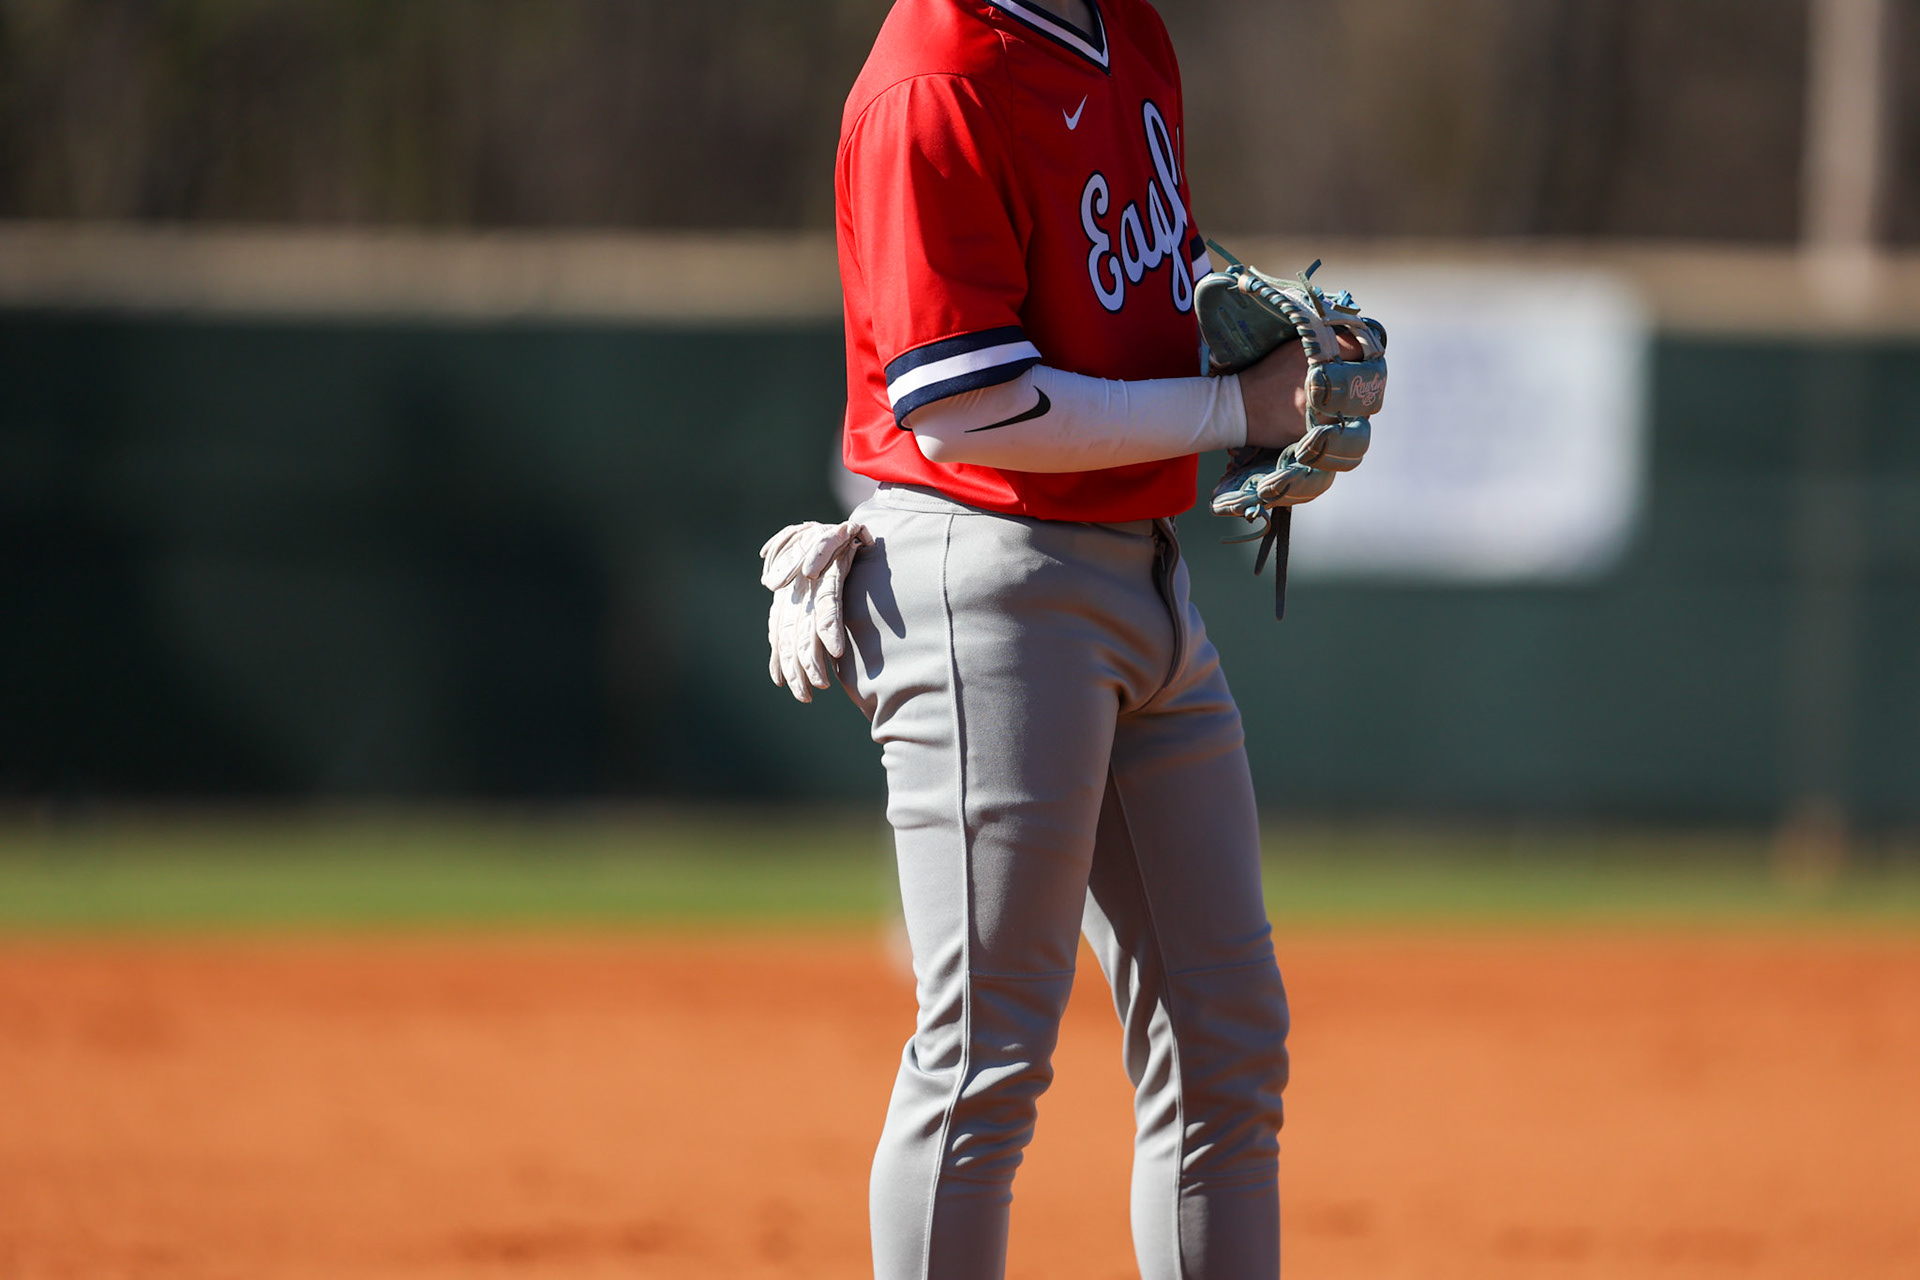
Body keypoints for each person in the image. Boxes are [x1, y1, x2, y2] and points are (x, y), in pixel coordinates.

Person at [759, 2, 1361, 1276]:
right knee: (983, 1053)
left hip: (1141, 574)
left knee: (1227, 1046)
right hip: (989, 580)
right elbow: (967, 404)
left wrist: (1287, 377)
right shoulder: (936, 80)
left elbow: (1142, 282)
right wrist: (1225, 403)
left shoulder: (1125, 32)